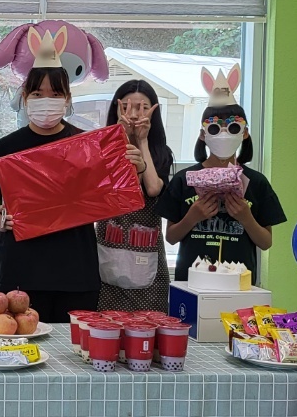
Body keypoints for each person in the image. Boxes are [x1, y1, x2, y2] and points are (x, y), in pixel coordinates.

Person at [0, 45, 99, 322]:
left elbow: (105, 195)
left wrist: (134, 164)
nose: (46, 101)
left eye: (55, 94)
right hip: (22, 271)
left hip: (77, 271)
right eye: (38, 94)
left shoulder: (85, 144)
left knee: (74, 345)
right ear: (25, 97)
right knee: (21, 341)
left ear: (67, 98)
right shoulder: (5, 148)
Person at [158, 70, 286, 286]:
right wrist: (192, 217)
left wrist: (246, 218)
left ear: (244, 132)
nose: (224, 134)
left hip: (239, 285)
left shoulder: (257, 183)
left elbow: (266, 242)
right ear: (203, 134)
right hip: (191, 283)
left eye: (233, 127)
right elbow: (171, 237)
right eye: (215, 129)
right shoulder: (183, 180)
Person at [96, 80, 174, 312]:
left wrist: (142, 141)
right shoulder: (101, 147)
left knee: (149, 326)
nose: (134, 114)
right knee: (104, 324)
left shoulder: (161, 152)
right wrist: (118, 137)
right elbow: (105, 194)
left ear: (153, 112)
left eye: (143, 107)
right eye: (127, 106)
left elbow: (153, 189)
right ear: (116, 109)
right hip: (109, 246)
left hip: (146, 252)